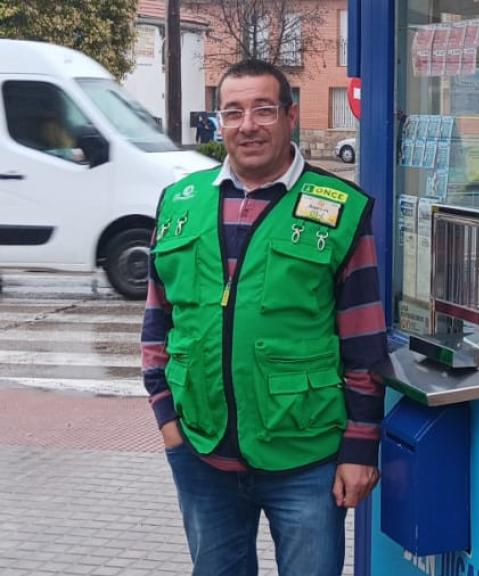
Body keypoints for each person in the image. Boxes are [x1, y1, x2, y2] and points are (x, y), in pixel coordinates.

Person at [141, 59, 387, 576]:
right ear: (220, 121)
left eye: (263, 109)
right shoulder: (178, 203)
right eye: (233, 111)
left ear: (290, 116)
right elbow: (157, 324)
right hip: (201, 452)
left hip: (305, 456)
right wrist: (168, 422)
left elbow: (364, 344)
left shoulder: (339, 209)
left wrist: (360, 448)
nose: (247, 125)